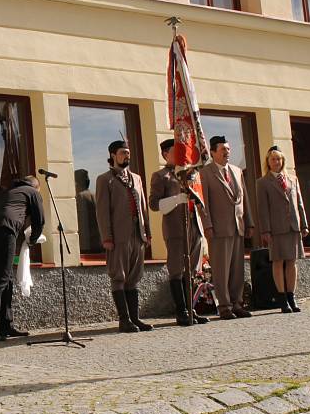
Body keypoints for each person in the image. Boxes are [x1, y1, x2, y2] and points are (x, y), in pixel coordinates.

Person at [0, 175, 45, 341]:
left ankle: (5, 324)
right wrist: (33, 239)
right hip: (5, 230)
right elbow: (39, 220)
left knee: (6, 278)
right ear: (36, 186)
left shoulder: (11, 191)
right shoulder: (32, 191)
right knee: (2, 277)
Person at [149, 139, 209, 326]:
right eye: (177, 151)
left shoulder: (190, 173)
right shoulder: (161, 176)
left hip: (193, 225)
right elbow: (154, 205)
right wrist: (177, 199)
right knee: (177, 270)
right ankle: (181, 310)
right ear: (166, 154)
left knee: (191, 272)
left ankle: (191, 309)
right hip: (175, 228)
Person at [95, 140, 153, 333]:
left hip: (138, 233)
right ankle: (124, 319)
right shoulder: (105, 180)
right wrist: (107, 237)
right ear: (113, 155)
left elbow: (143, 205)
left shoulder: (136, 178)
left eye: (128, 153)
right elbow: (102, 211)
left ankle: (135, 318)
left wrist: (148, 232)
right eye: (122, 153)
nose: (127, 156)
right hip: (118, 235)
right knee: (119, 276)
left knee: (134, 276)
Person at [199, 136, 254, 320]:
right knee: (221, 270)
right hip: (218, 229)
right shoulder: (205, 173)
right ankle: (224, 307)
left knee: (237, 269)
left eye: (228, 149)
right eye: (223, 149)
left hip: (238, 226)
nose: (227, 152)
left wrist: (250, 222)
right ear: (213, 152)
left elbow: (244, 198)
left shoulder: (237, 171)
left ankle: (237, 304)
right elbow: (203, 203)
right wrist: (208, 225)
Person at [256, 145, 309, 313]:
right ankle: (282, 300)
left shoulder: (293, 179)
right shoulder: (262, 182)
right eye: (273, 159)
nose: (276, 162)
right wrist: (265, 231)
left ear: (282, 161)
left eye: (278, 159)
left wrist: (304, 224)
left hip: (293, 227)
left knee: (292, 263)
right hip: (275, 229)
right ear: (268, 162)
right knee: (278, 263)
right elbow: (262, 208)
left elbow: (299, 203)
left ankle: (292, 297)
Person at [75, 169, 102, 253]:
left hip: (86, 245)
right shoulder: (95, 195)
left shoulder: (80, 197)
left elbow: (82, 222)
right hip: (98, 243)